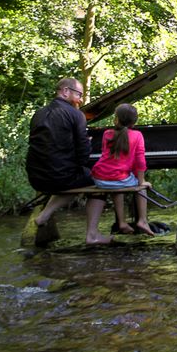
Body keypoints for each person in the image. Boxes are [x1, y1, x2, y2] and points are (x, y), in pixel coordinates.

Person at [26, 78, 111, 245]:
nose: (80, 100)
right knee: (101, 180)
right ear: (65, 91)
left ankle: (44, 216)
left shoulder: (38, 114)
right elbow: (84, 157)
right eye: (79, 95)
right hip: (60, 177)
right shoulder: (76, 115)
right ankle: (92, 235)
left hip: (35, 177)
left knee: (70, 175)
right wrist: (86, 142)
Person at [87, 103, 155, 237]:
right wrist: (141, 181)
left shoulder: (107, 133)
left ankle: (122, 222)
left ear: (116, 119)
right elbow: (140, 162)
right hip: (118, 179)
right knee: (140, 187)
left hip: (99, 178)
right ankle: (142, 220)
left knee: (117, 179)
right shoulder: (137, 135)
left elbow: (107, 158)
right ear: (134, 122)